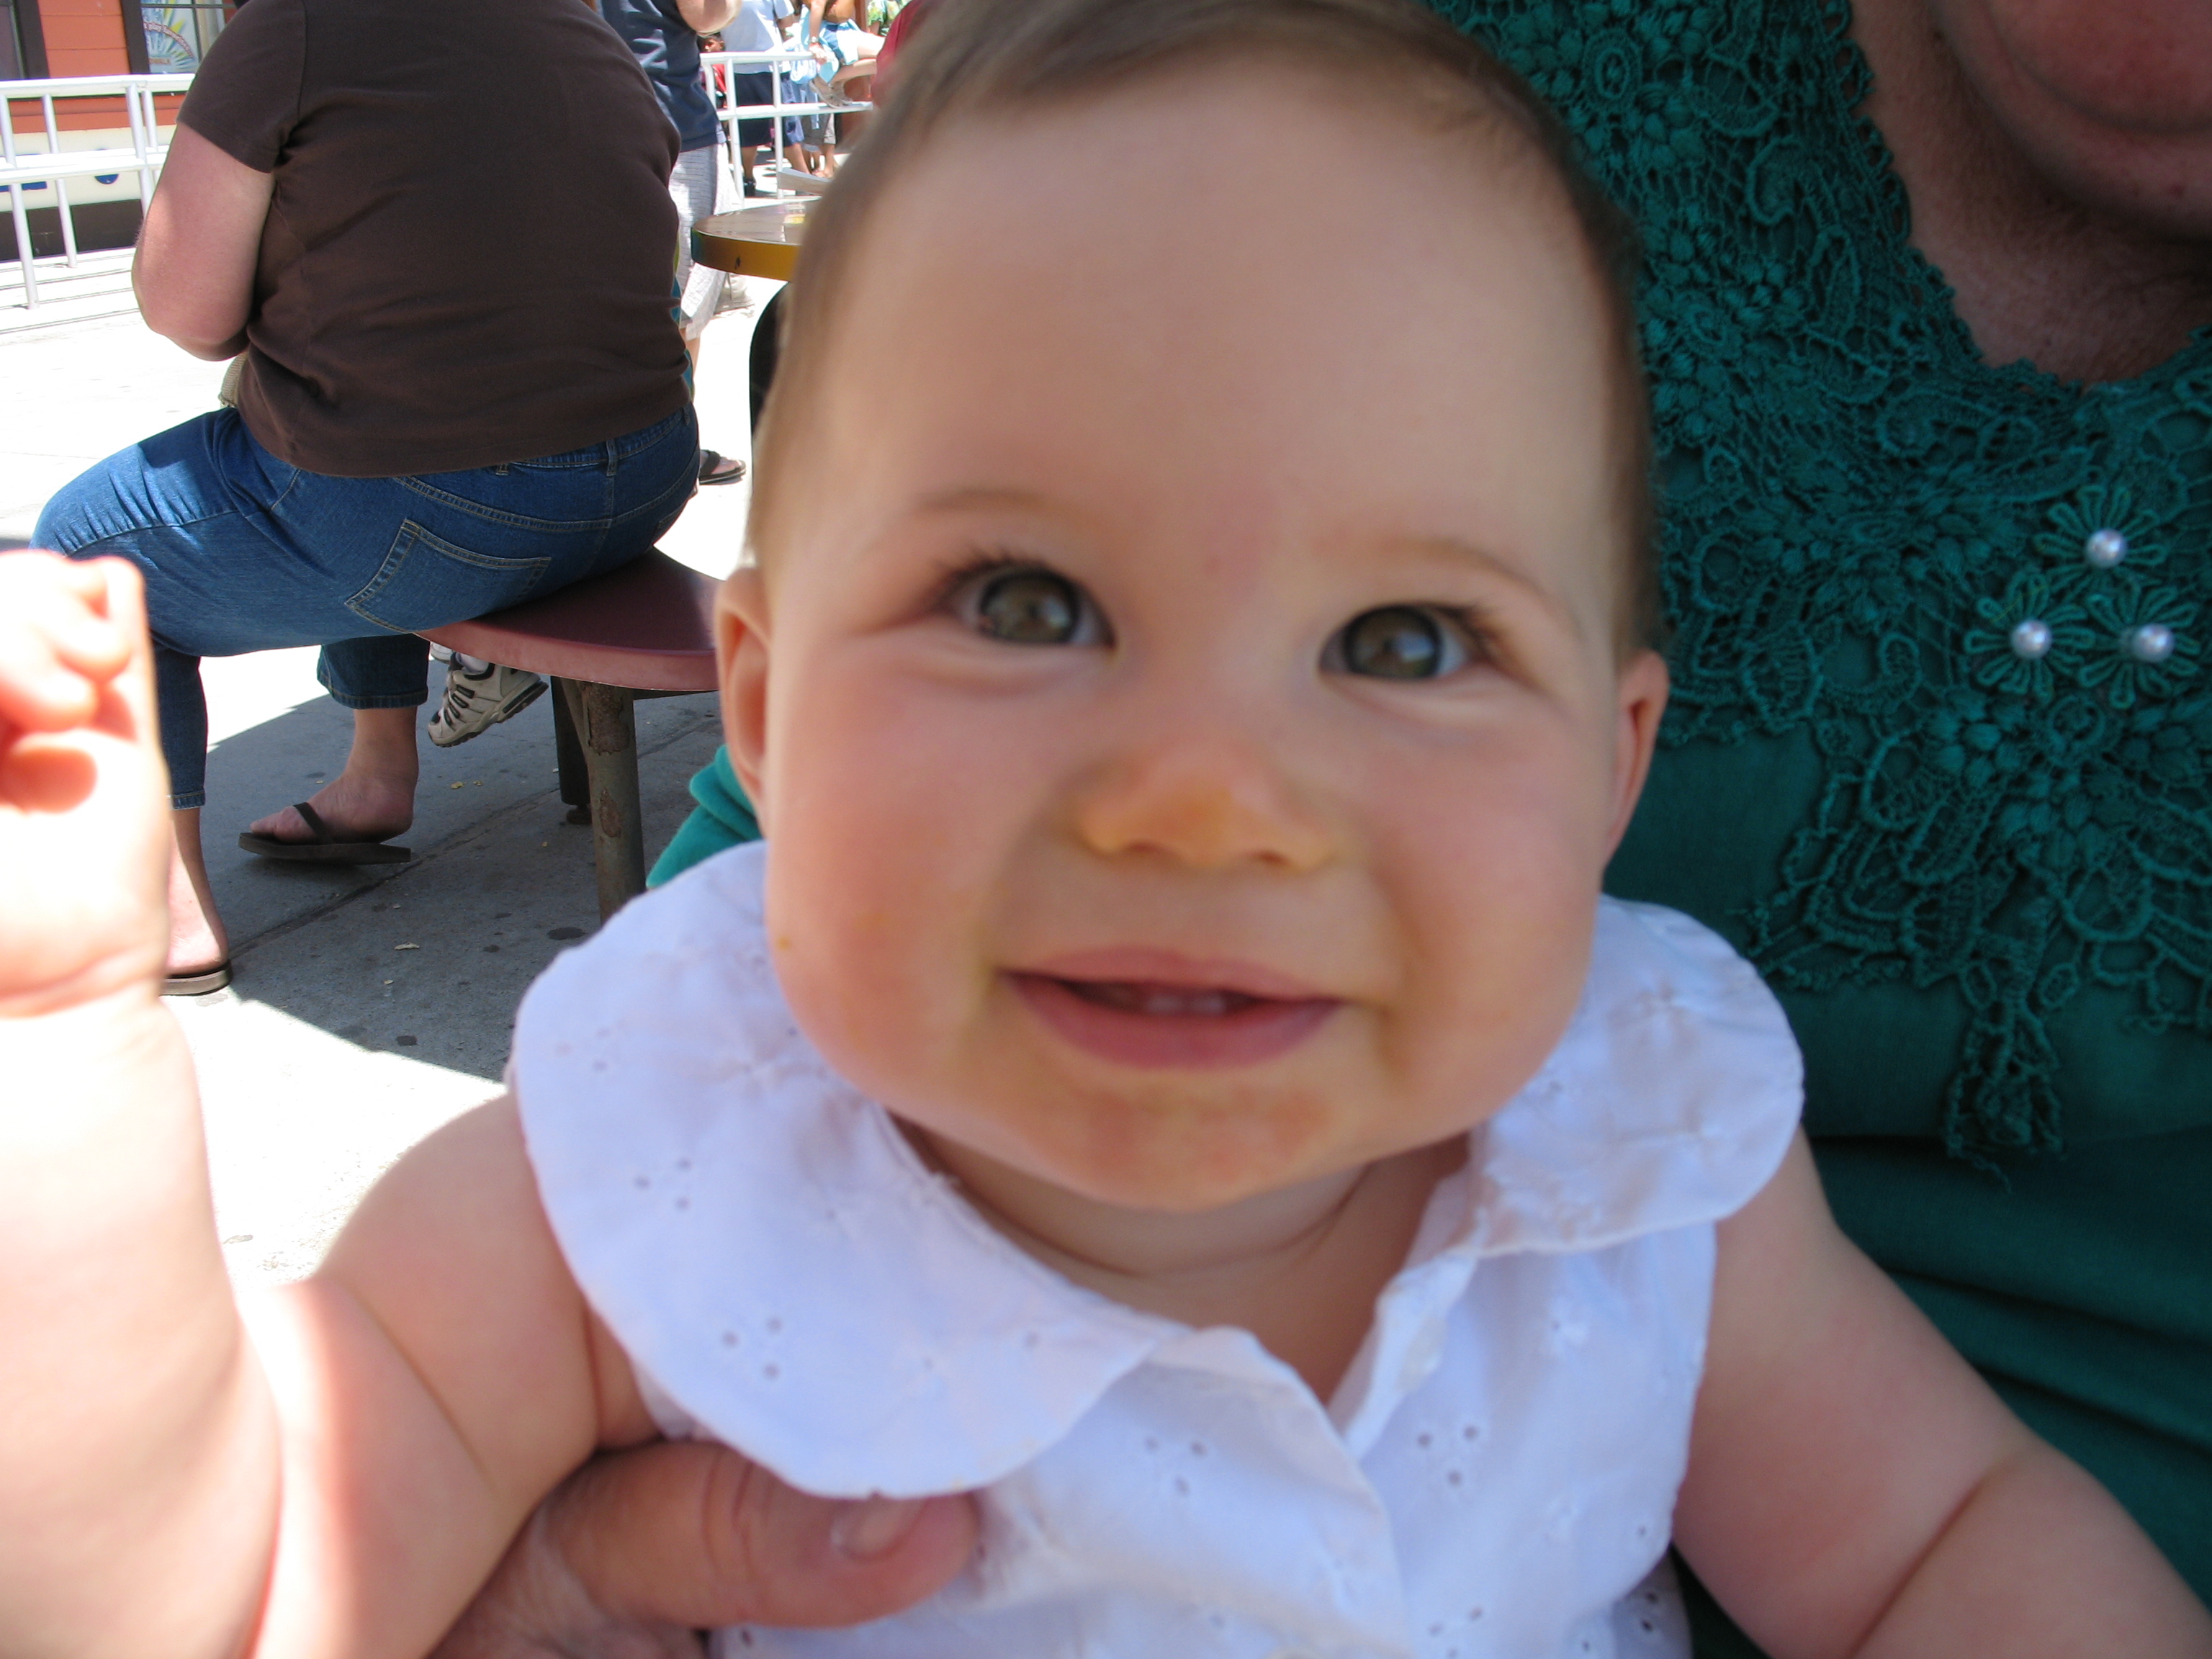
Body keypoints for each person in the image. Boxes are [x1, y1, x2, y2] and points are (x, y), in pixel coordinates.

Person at [7, 4, 2212, 1657]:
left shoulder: (1636, 1158)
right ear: (765, 713)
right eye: (1024, 604)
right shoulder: (666, 1162)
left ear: (1609, 768)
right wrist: (56, 1047)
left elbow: (1940, 1558)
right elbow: (231, 1588)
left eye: (1407, 642)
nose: (1204, 800)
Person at [27, 0, 698, 999]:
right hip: (642, 476)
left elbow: (188, 311)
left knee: (86, 548)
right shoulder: (579, 20)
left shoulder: (293, 26)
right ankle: (377, 770)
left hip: (442, 513)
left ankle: (163, 910)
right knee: (340, 425)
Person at [598, 0, 752, 489]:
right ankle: (672, 453)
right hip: (671, 125)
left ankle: (631, 450)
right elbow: (706, 14)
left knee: (621, 299)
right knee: (682, 304)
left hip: (594, 121)